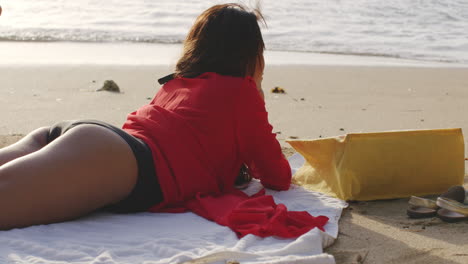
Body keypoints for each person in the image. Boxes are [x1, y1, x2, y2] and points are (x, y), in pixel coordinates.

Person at [0, 4, 294, 231]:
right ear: (252, 55)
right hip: (112, 160)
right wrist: (256, 90)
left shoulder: (176, 84)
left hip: (84, 141)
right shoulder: (241, 93)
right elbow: (277, 176)